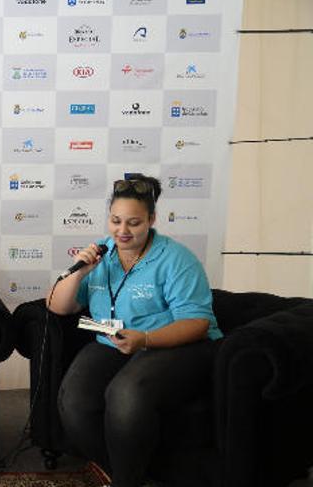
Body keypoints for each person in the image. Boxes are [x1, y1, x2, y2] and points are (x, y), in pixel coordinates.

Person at [46, 174, 222, 487]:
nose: (122, 231)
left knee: (125, 394)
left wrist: (146, 339)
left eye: (134, 223)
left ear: (152, 220)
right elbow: (58, 306)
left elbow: (198, 322)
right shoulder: (101, 252)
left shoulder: (176, 259)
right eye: (115, 221)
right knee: (74, 401)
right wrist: (80, 271)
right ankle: (130, 474)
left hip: (174, 345)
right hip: (115, 342)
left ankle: (126, 480)